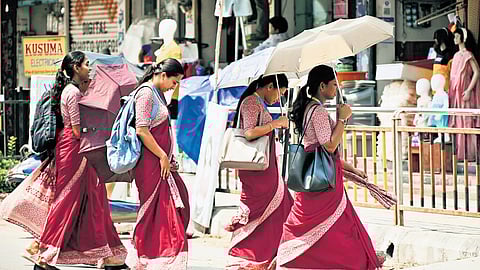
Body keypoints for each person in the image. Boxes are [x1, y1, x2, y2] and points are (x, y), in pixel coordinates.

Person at [274, 65, 383, 269]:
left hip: (320, 171)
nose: (336, 89)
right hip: (323, 181)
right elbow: (329, 145)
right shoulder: (318, 111)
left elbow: (325, 151)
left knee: (328, 224)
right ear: (322, 86)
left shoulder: (311, 108)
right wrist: (342, 119)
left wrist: (352, 169)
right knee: (338, 224)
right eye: (334, 84)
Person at [34, 51, 129, 270]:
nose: (90, 68)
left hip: (74, 148)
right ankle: (45, 255)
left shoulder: (73, 90)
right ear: (76, 68)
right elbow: (76, 130)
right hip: (76, 149)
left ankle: (110, 255)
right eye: (86, 64)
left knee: (95, 198)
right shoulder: (73, 93)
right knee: (67, 201)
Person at [225, 74, 294, 269]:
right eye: (280, 93)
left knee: (280, 206)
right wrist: (275, 124)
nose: (279, 98)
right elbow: (249, 132)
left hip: (265, 167)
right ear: (270, 86)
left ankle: (273, 253)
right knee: (264, 209)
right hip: (256, 170)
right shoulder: (251, 102)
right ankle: (248, 253)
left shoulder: (258, 103)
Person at [132, 58, 190, 269]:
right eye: (175, 82)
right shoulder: (146, 94)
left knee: (175, 203)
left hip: (160, 162)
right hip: (151, 163)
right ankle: (150, 255)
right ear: (163, 75)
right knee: (158, 211)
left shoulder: (157, 94)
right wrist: (162, 156)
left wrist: (167, 157)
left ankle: (159, 255)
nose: (175, 87)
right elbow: (142, 129)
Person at [449, 27, 480, 161]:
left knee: (467, 122)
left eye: (457, 36)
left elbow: (477, 72)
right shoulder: (456, 56)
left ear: (463, 38)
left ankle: (471, 154)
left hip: (466, 94)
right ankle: (460, 153)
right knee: (459, 122)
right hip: (456, 94)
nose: (455, 39)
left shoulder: (468, 55)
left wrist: (468, 90)